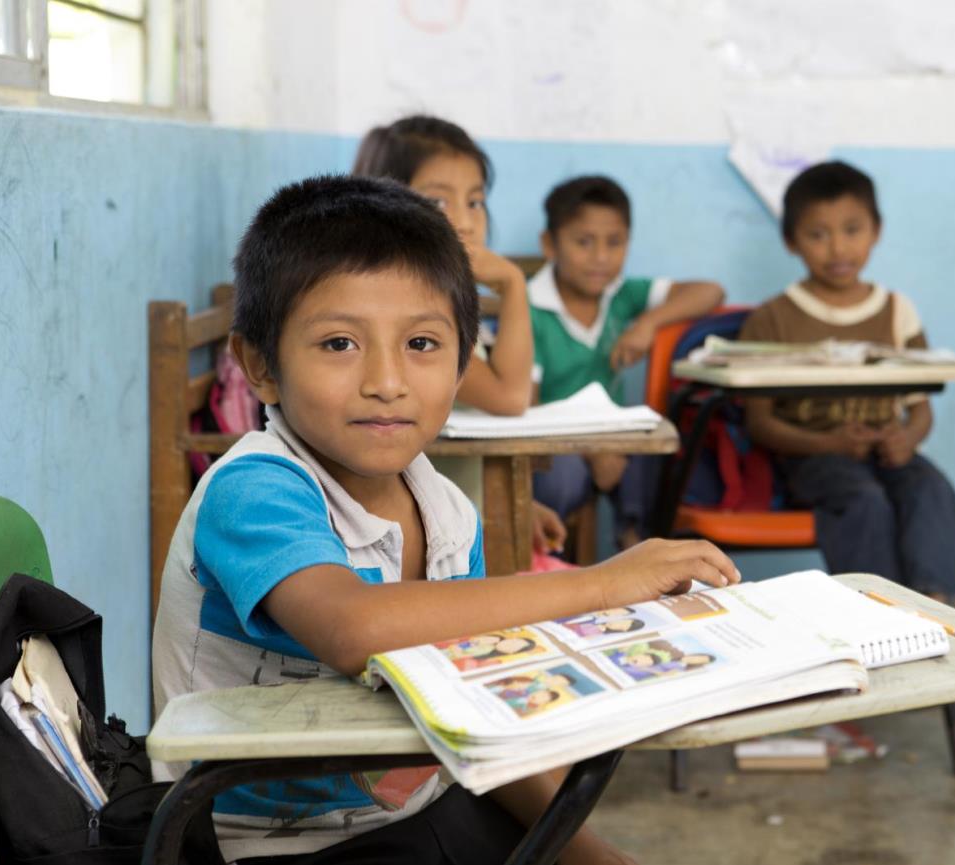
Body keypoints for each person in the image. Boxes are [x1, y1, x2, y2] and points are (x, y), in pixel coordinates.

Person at [151, 174, 739, 864]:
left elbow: (474, 716)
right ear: (260, 363)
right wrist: (604, 583)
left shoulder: (448, 512)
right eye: (340, 343)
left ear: (464, 362)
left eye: (423, 345)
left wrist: (591, 853)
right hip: (268, 847)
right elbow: (353, 626)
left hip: (425, 809)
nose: (387, 381)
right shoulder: (254, 489)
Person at [739, 161, 955, 617]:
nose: (838, 247)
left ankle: (935, 609)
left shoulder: (897, 311)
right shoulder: (771, 319)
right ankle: (878, 615)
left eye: (852, 229)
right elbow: (760, 423)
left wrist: (906, 439)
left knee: (932, 491)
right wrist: (828, 442)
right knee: (864, 499)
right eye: (818, 234)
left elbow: (920, 409)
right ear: (791, 241)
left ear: (876, 231)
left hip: (888, 451)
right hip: (811, 458)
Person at [354, 114, 566, 556]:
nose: (466, 223)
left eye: (475, 202)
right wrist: (511, 282)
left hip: (452, 512)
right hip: (419, 536)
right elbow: (511, 397)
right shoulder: (410, 321)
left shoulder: (441, 302)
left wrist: (521, 504)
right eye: (438, 203)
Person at [529, 175, 725, 546]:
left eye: (614, 242)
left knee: (656, 447)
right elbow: (527, 407)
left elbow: (710, 291)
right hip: (552, 444)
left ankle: (638, 544)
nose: (601, 257)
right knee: (561, 477)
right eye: (584, 242)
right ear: (549, 244)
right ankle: (552, 557)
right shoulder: (530, 308)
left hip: (612, 436)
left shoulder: (619, 294)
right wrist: (588, 449)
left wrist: (649, 323)